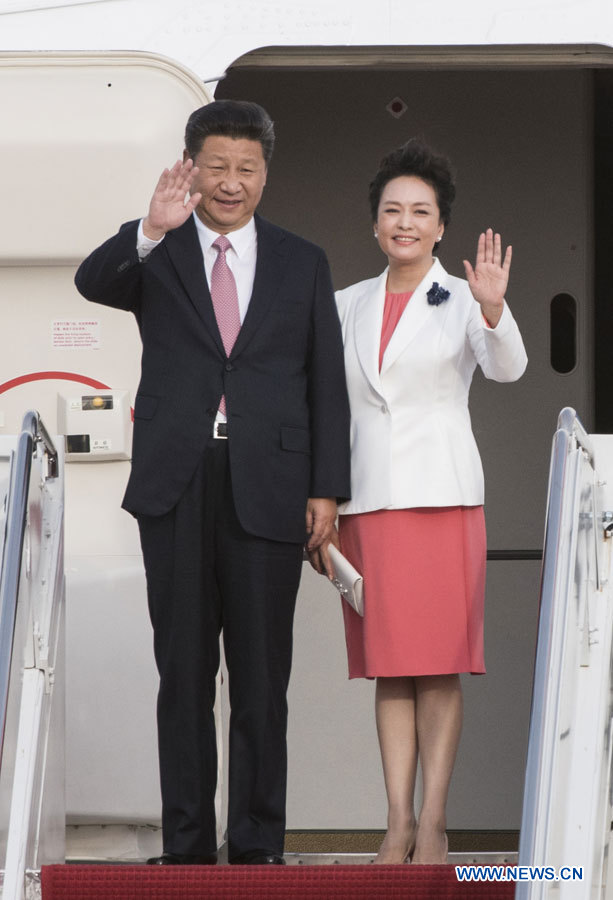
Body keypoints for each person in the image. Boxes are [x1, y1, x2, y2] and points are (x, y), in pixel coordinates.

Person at [75, 100, 351, 866]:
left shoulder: (302, 260)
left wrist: (326, 489)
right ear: (192, 169)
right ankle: (188, 846)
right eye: (217, 168)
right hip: (178, 481)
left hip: (271, 482)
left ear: (265, 173)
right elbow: (91, 282)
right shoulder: (157, 249)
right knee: (184, 674)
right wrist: (149, 227)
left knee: (262, 678)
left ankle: (258, 844)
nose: (231, 183)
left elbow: (325, 383)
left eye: (246, 169)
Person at [310, 138, 527, 864]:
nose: (404, 223)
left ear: (440, 227)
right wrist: (321, 497)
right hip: (366, 503)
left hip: (440, 500)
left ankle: (433, 823)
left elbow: (508, 369)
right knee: (391, 664)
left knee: (435, 664)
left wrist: (494, 309)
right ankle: (396, 821)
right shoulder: (344, 304)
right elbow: (326, 408)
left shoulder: (464, 298)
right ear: (374, 223)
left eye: (420, 212)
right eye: (392, 210)